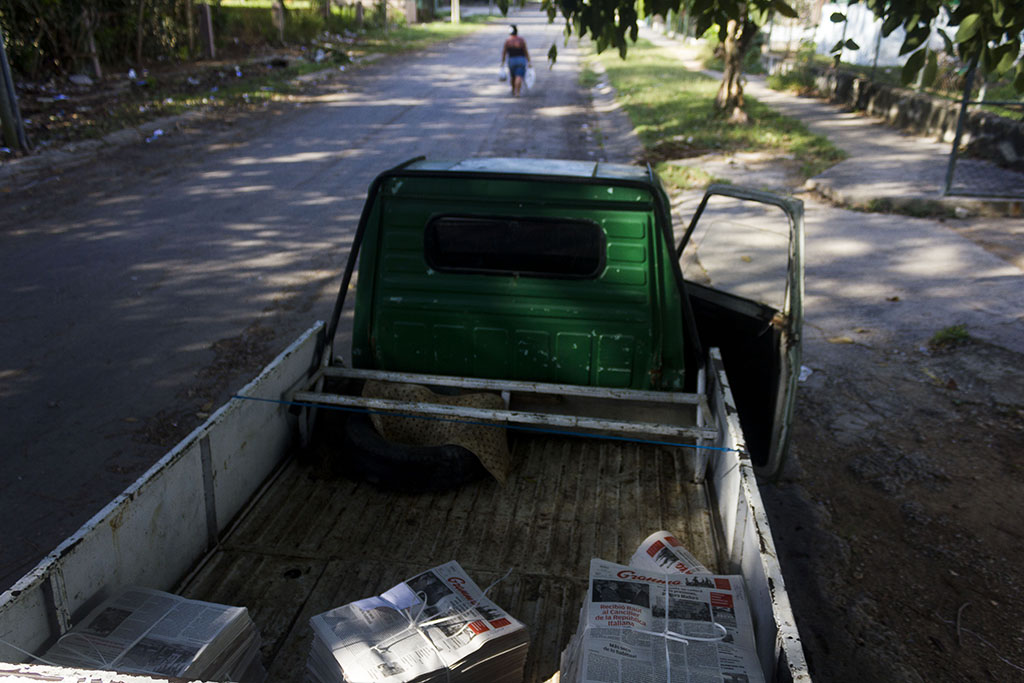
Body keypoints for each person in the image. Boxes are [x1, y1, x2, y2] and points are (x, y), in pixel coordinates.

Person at [500, 25, 531, 97]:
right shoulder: (521, 40)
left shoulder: (508, 41)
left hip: (511, 60)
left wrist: (503, 62)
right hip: (521, 60)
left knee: (513, 76)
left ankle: (514, 90)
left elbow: (504, 52)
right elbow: (525, 51)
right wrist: (529, 61)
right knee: (519, 76)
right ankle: (518, 92)